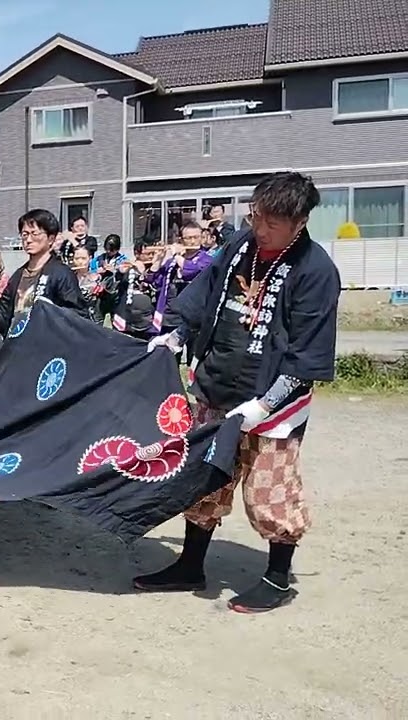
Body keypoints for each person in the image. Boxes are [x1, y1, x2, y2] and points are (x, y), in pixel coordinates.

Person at [136, 172, 339, 613]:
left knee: (270, 490)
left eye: (272, 223)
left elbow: (307, 354)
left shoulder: (316, 270)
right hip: (216, 384)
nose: (260, 229)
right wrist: (176, 334)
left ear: (299, 222)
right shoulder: (239, 247)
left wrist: (265, 403)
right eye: (256, 217)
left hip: (273, 403)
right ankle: (190, 565)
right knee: (205, 481)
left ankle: (278, 578)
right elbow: (202, 295)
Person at [0, 209, 87, 335]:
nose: (28, 240)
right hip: (19, 343)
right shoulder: (18, 275)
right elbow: (4, 314)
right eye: (24, 234)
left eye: (34, 233)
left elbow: (77, 314)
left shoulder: (61, 273)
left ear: (51, 238)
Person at [148, 221, 216, 336]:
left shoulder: (207, 259)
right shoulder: (172, 262)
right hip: (169, 316)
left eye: (196, 237)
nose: (193, 241)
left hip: (192, 316)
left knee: (193, 352)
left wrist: (176, 255)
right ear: (181, 239)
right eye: (188, 238)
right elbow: (154, 281)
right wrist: (159, 259)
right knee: (165, 352)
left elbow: (191, 271)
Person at [71, 245, 115, 325]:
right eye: (77, 258)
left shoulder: (99, 278)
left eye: (83, 258)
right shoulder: (68, 278)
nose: (80, 261)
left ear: (90, 258)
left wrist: (103, 291)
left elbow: (109, 303)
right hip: (75, 320)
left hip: (95, 321)